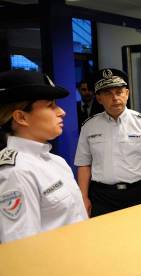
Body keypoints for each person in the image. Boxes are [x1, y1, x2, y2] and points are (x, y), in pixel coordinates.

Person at [0, 71, 87, 243]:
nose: (61, 112)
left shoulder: (56, 161)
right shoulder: (16, 172)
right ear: (21, 117)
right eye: (50, 106)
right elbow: (21, 248)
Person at [74, 68, 141, 217]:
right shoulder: (89, 127)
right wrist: (83, 196)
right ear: (99, 98)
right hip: (103, 197)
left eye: (119, 92)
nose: (115, 98)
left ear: (127, 94)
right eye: (108, 93)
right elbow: (84, 164)